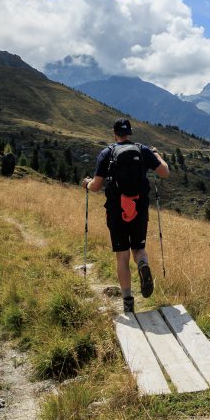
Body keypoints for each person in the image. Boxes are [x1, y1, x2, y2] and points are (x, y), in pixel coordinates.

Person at [83, 118, 170, 313]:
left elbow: (96, 186)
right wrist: (157, 155)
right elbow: (164, 172)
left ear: (114, 133)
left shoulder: (107, 152)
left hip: (117, 210)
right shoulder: (143, 150)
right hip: (139, 208)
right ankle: (142, 263)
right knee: (138, 248)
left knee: (121, 256)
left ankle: (128, 301)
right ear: (130, 133)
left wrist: (86, 183)